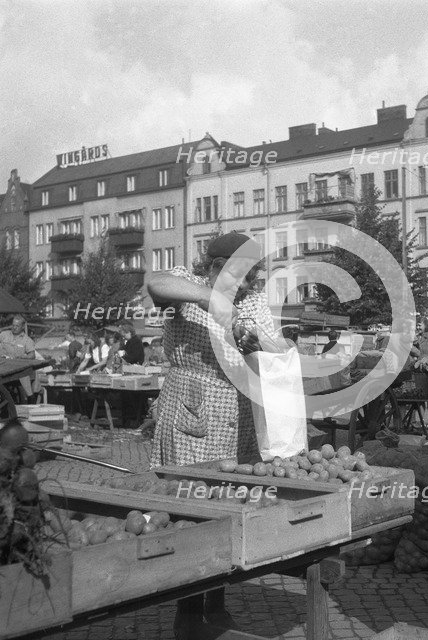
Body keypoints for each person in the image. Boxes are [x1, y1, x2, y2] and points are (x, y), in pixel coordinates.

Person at [147, 231, 274, 631]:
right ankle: (186, 611)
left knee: (226, 511)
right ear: (217, 267)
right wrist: (210, 298)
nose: (249, 283)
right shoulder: (188, 282)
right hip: (191, 405)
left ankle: (216, 603)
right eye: (242, 274)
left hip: (236, 414)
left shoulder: (252, 299)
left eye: (252, 275)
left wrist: (260, 342)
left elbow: (273, 343)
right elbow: (154, 283)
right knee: (189, 509)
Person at [0, 314, 37, 401]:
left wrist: (22, 357)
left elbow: (32, 355)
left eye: (17, 326)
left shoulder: (27, 340)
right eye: (13, 325)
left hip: (16, 368)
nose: (14, 327)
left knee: (23, 374)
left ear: (23, 327)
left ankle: (30, 397)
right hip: (2, 366)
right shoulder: (3, 335)